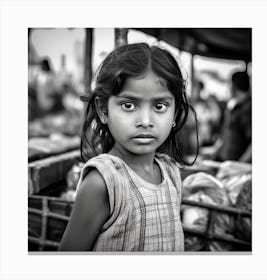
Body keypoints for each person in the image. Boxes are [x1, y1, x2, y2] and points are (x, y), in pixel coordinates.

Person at [58, 43, 198, 252]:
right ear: (103, 110)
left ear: (175, 115)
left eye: (159, 106)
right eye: (128, 105)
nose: (144, 121)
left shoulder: (171, 172)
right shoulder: (104, 181)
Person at [216, 71, 252, 162]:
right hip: (224, 161)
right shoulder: (233, 105)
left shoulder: (248, 108)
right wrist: (215, 149)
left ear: (234, 85)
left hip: (235, 166)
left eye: (229, 84)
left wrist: (239, 165)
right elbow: (226, 133)